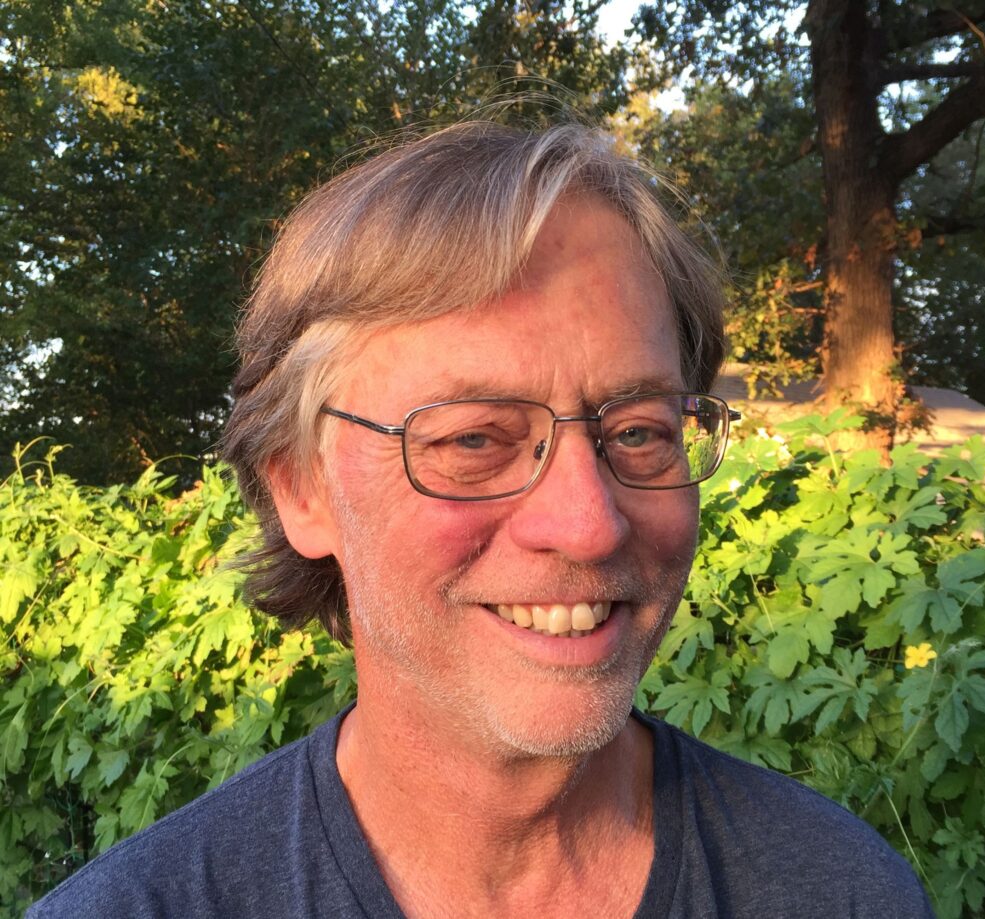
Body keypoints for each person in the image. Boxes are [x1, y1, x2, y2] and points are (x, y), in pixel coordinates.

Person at [30, 120, 935, 918]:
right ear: (301, 488)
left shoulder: (842, 890)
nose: (587, 524)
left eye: (636, 430)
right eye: (471, 440)